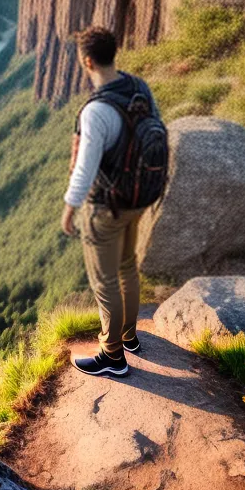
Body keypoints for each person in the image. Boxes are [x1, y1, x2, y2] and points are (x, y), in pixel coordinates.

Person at [61, 26, 162, 378]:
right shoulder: (139, 88)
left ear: (87, 61)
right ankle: (130, 336)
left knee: (104, 281)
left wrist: (70, 208)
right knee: (127, 267)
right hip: (138, 197)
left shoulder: (96, 111)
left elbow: (85, 168)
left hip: (107, 207)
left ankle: (112, 355)